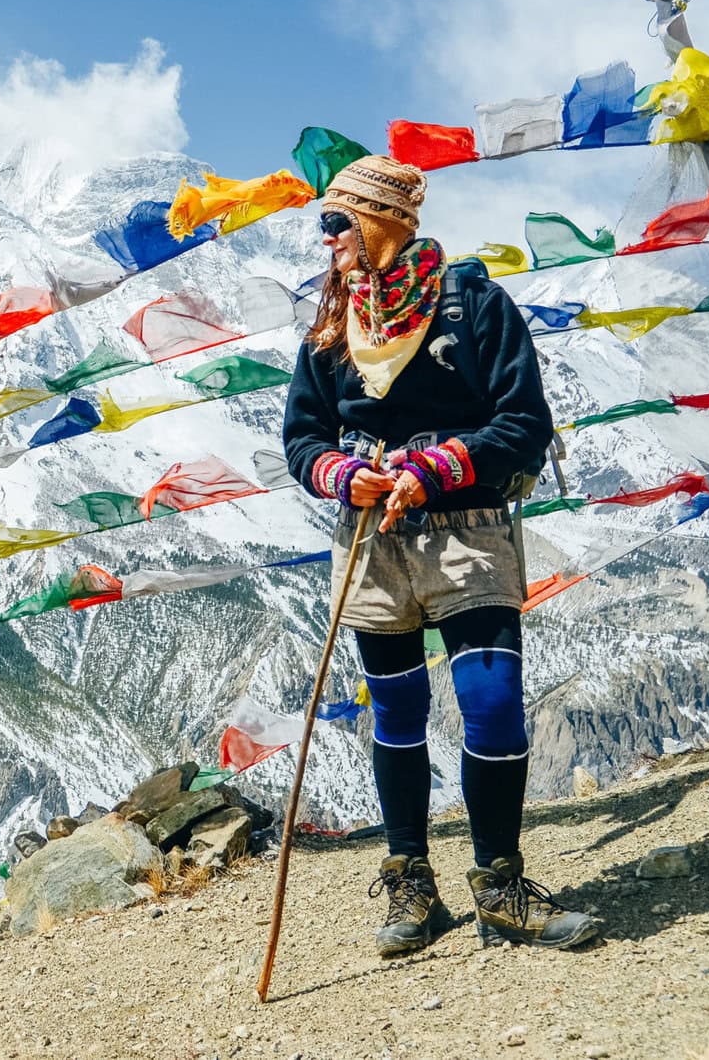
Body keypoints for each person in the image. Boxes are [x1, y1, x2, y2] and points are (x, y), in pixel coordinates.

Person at [280, 155, 602, 955]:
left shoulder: (474, 305)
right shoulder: (331, 331)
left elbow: (524, 422)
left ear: (383, 221)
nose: (328, 241)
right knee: (396, 713)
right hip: (372, 545)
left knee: (491, 703)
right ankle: (410, 885)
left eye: (337, 223)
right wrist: (343, 473)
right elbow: (302, 439)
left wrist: (429, 469)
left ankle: (499, 885)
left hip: (470, 530)